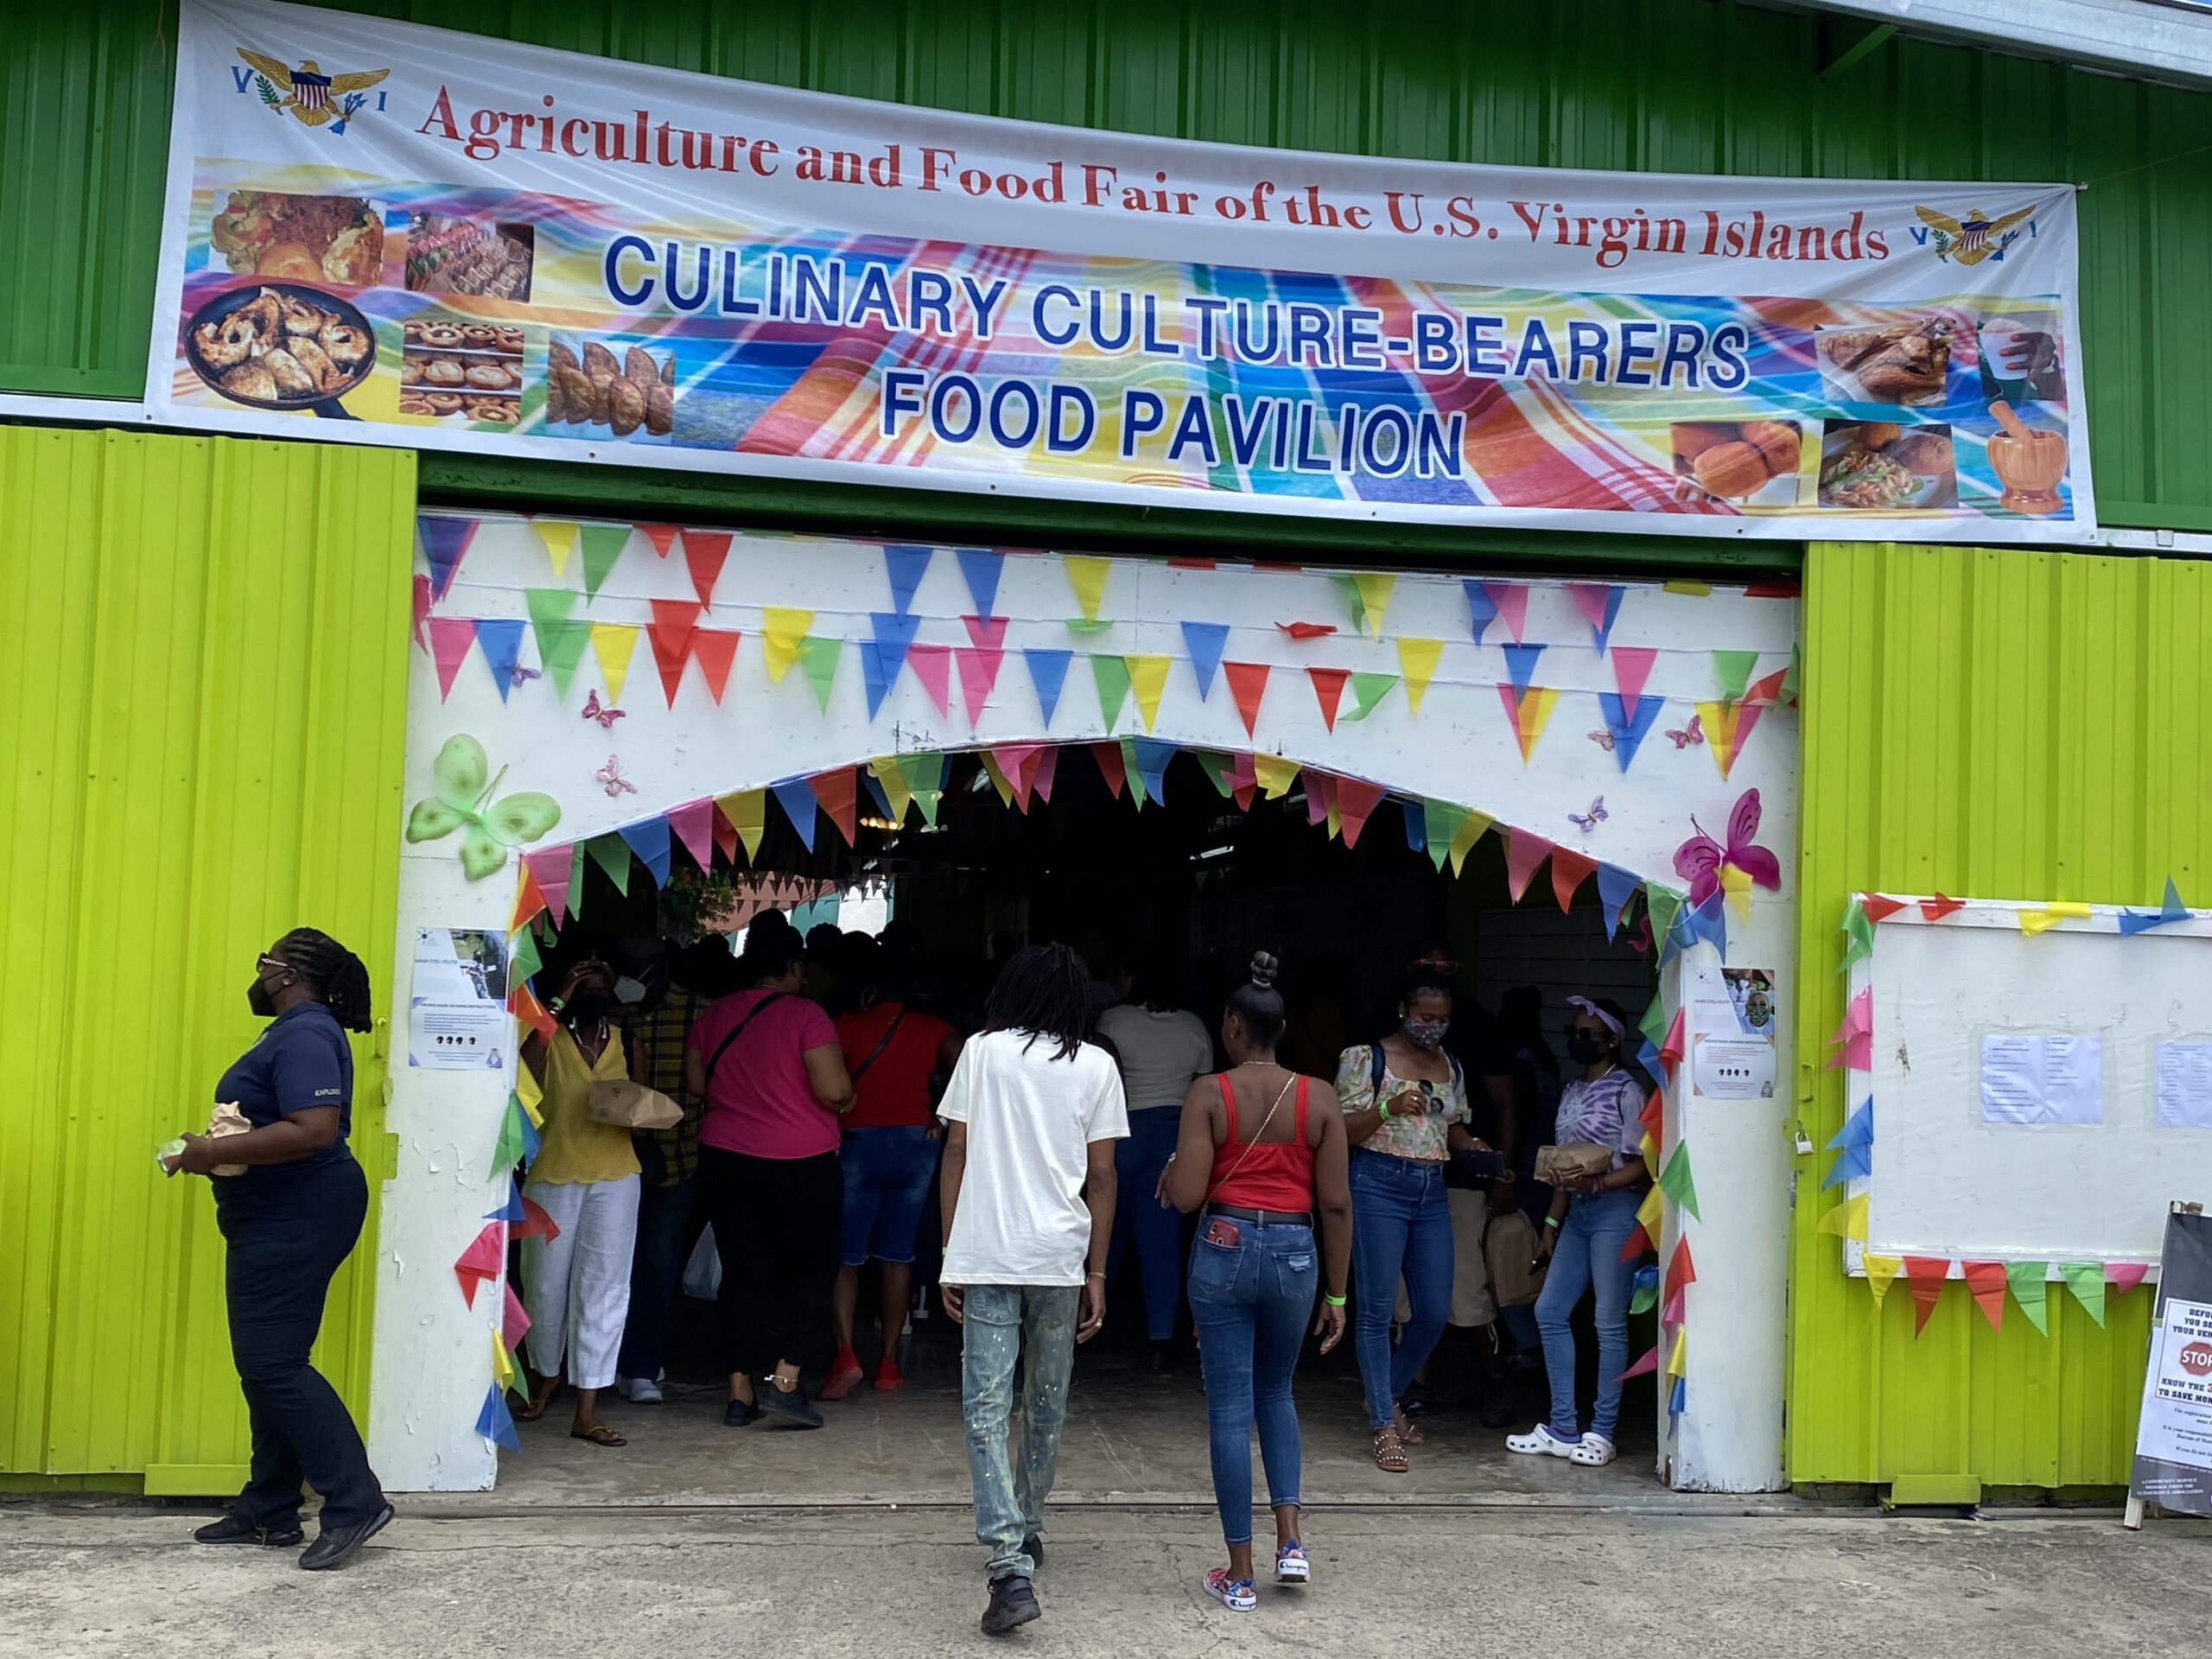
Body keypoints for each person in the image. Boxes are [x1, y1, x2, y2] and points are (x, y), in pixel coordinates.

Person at [168, 928, 392, 1569]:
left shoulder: (306, 1033)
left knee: (272, 1364)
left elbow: (314, 1129)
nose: (259, 971)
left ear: (287, 973)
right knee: (270, 1362)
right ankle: (268, 1505)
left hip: (300, 1210)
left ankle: (354, 1500)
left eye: (265, 960)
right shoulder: (294, 1032)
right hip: (279, 1209)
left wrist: (211, 1152)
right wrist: (216, 1154)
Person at [939, 944, 1128, 1637]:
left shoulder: (981, 1053)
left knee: (985, 1409)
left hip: (988, 1253)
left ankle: (1009, 1563)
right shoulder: (1098, 1065)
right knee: (1045, 1405)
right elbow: (1103, 1178)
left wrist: (947, 1252)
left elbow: (955, 1152)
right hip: (1059, 1258)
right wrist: (1099, 1273)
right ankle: (1028, 1529)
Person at [1164, 953, 1351, 1612]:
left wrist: (1172, 1174)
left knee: (1228, 1411)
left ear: (1234, 1027)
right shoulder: (1320, 1098)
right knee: (1278, 1393)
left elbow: (1187, 1197)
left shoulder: (1209, 1093)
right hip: (1298, 1255)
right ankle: (1292, 1544)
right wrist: (1337, 1293)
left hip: (1225, 1246)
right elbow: (1334, 1204)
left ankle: (1239, 1575)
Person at [686, 912, 855, 1429]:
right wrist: (848, 1098)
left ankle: (739, 1393)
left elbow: (697, 1085)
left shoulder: (713, 1015)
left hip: (727, 1159)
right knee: (812, 1268)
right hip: (800, 1164)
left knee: (743, 1274)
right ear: (791, 967)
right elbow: (833, 1091)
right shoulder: (808, 1016)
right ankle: (786, 1379)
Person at [1335, 968, 1490, 1473]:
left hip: (1431, 1190)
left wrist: (1478, 1149)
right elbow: (1342, 1130)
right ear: (1403, 1009)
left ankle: (1385, 1394)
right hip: (1377, 1182)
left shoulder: (1450, 1063)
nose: (1434, 1027)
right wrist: (1388, 1104)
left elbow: (1455, 1128)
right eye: (1425, 1017)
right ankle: (1384, 1424)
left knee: (1432, 1309)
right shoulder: (1365, 1058)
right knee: (1377, 1312)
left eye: (1443, 1019)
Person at [1507, 995, 1648, 1469]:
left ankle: (1602, 1432)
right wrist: (1550, 1223)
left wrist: (1598, 1183)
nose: (1578, 1041)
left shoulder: (1627, 1091)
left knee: (1608, 1320)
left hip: (1615, 1210)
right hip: (1580, 1212)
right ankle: (1563, 1425)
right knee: (1549, 1310)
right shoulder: (1571, 1090)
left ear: (1613, 1040)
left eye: (1588, 1034)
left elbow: (1646, 1166)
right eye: (1573, 1032)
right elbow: (1562, 1168)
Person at [823, 952, 963, 1398]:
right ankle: (887, 1364)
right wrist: (942, 1119)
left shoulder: (847, 1023)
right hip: (915, 1145)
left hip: (858, 1143)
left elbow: (828, 1082)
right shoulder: (935, 1029)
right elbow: (968, 1064)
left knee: (845, 1259)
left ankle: (845, 1354)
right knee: (897, 1257)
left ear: (871, 990)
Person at [515, 956, 641, 1448]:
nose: (592, 992)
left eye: (599, 985)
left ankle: (587, 1406)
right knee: (543, 1285)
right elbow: (524, 1073)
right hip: (552, 1173)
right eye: (581, 984)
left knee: (605, 1289)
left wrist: (633, 1114)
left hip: (617, 1175)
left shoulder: (628, 1040)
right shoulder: (550, 1035)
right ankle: (546, 1375)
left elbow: (639, 1102)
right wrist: (559, 998)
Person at [614, 938, 731, 1405]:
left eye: (634, 968)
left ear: (659, 971)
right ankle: (591, 1365)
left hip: (676, 1160)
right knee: (604, 1269)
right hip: (609, 1159)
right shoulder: (608, 1014)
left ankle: (640, 1364)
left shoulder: (703, 1012)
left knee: (656, 1267)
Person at [1097, 964, 1214, 1369]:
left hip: (1119, 1131)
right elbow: (1203, 1088)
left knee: (1105, 1234)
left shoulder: (1113, 1020)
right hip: (1173, 1137)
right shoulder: (1195, 1027)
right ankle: (1161, 1340)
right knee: (1161, 1243)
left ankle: (1093, 1325)